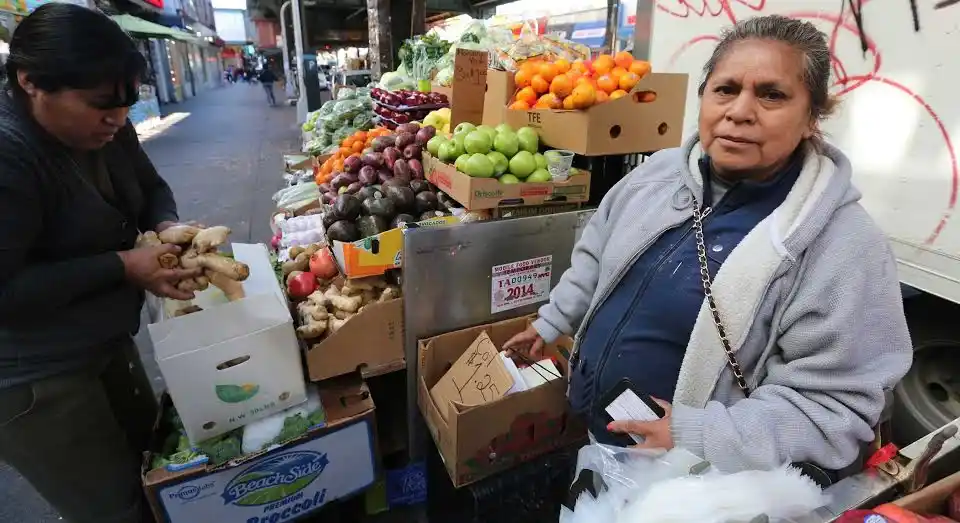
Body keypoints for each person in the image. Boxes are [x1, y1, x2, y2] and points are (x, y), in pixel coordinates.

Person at [504, 15, 912, 482]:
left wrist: (697, 434)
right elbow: (595, 259)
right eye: (725, 89)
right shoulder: (656, 177)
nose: (740, 111)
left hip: (698, 482)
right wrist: (552, 321)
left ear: (812, 119)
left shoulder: (843, 245)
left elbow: (834, 406)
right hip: (602, 443)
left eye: (772, 94)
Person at [0, 5, 200, 522]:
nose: (117, 119)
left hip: (103, 339)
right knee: (114, 509)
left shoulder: (110, 129)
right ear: (30, 83)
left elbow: (151, 187)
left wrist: (168, 226)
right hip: (34, 375)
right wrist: (124, 266)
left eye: (126, 105)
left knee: (153, 469)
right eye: (99, 106)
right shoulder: (10, 154)